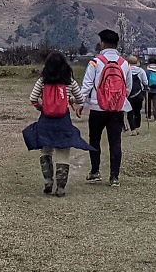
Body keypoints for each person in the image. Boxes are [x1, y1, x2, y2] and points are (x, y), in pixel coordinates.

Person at [22, 51, 92, 197]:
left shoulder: (42, 81)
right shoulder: (69, 81)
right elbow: (80, 99)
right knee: (63, 152)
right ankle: (61, 186)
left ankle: (48, 180)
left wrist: (41, 107)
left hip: (46, 120)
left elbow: (33, 98)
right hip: (63, 121)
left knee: (46, 150)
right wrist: (69, 100)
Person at [81, 29, 132, 187]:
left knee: (94, 139)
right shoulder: (124, 64)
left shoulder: (95, 62)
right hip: (117, 109)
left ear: (102, 43)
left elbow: (87, 85)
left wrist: (81, 103)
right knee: (115, 142)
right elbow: (127, 88)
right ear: (116, 44)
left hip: (97, 108)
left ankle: (95, 171)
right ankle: (114, 177)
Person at [126, 55, 148, 135]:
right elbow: (145, 82)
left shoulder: (126, 70)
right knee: (137, 111)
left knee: (130, 112)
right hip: (139, 94)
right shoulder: (141, 71)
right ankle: (137, 126)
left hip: (128, 94)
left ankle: (133, 129)